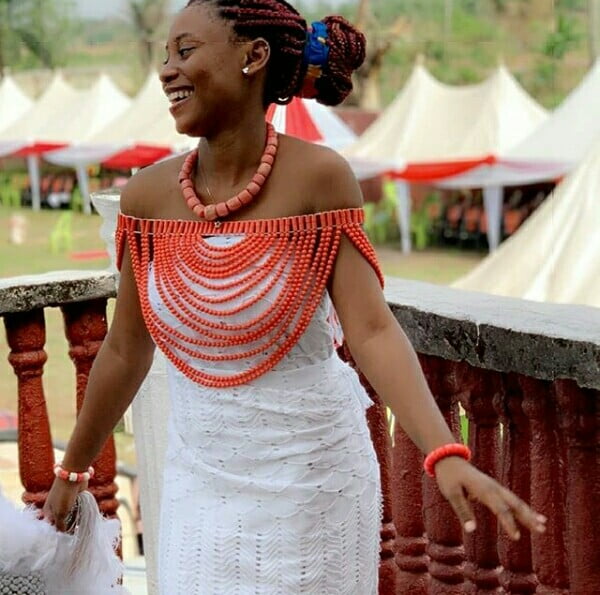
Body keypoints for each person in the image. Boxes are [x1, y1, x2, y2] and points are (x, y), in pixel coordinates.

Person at [43, 1, 546, 593]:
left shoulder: (321, 178)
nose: (167, 71)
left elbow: (372, 330)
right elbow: (126, 352)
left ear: (254, 56)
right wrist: (72, 472)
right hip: (196, 479)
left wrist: (444, 452)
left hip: (312, 480)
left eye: (186, 51)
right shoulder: (147, 197)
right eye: (165, 56)